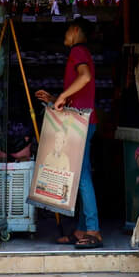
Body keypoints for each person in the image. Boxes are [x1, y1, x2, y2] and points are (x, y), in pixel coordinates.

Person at [34, 18, 101, 249]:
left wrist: (61, 97)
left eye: (66, 31)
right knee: (81, 176)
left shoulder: (78, 51)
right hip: (84, 121)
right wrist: (55, 98)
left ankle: (93, 230)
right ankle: (82, 229)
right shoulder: (83, 52)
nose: (65, 36)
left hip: (80, 124)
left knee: (82, 178)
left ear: (74, 30)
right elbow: (79, 91)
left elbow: (85, 77)